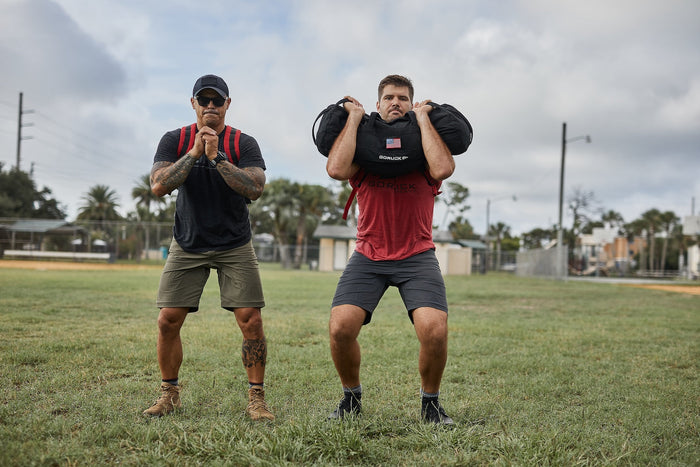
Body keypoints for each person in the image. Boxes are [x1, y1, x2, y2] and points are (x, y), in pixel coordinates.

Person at [325, 74, 456, 425]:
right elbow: (336, 168)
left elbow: (444, 167)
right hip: (369, 256)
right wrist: (354, 117)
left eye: (402, 98)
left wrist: (423, 116)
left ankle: (431, 404)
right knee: (340, 329)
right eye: (388, 97)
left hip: (417, 256)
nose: (394, 102)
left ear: (409, 104)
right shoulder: (365, 156)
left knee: (435, 330)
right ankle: (351, 398)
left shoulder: (424, 157)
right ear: (378, 104)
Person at [143, 74, 273, 421]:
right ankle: (169, 394)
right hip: (188, 242)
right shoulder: (175, 139)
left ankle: (256, 399)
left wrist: (216, 158)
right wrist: (195, 153)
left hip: (234, 242)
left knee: (252, 321)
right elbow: (158, 184)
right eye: (205, 101)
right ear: (194, 104)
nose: (211, 106)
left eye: (218, 101)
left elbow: (255, 188)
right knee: (168, 320)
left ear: (228, 104)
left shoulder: (244, 142)